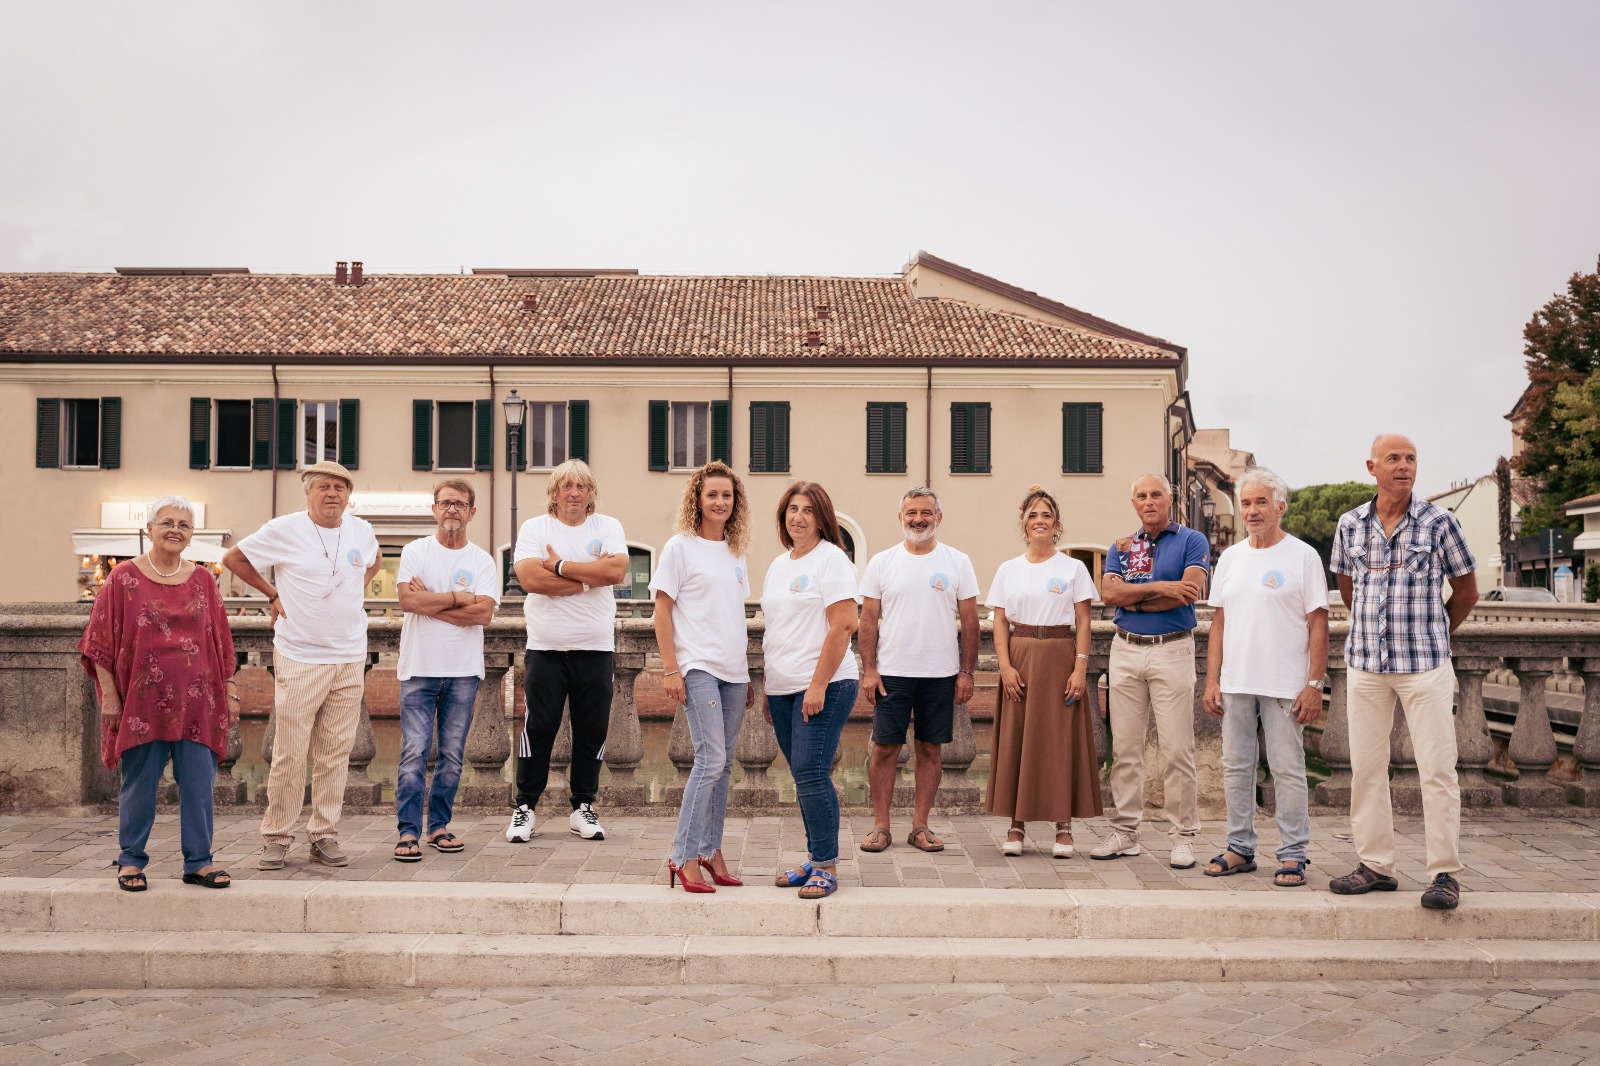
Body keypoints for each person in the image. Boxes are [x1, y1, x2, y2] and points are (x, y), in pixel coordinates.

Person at [1329, 434, 1477, 910]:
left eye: (1411, 458)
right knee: (1367, 769)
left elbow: (1467, 591)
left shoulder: (1440, 523)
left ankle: (1444, 873)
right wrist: (1375, 632)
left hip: (1425, 666)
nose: (1404, 466)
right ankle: (1376, 865)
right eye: (1394, 458)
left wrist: (1434, 631)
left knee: (1438, 770)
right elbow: (1347, 587)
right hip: (1366, 665)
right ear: (1371, 466)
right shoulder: (1349, 523)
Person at [223, 461, 381, 871]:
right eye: (324, 487)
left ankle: (324, 834)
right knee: (290, 754)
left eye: (340, 488)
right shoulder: (284, 529)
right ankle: (276, 836)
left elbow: (374, 562)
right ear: (308, 493)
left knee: (336, 753)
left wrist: (348, 594)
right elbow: (234, 558)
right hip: (300, 655)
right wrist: (272, 594)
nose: (333, 494)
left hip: (348, 657)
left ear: (349, 495)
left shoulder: (361, 530)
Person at [80, 496, 238, 891]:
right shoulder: (124, 578)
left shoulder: (204, 579)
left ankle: (199, 862)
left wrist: (230, 689)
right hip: (141, 702)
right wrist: (111, 696)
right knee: (139, 785)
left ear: (191, 536)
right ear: (149, 529)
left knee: (200, 786)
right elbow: (98, 639)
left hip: (198, 700)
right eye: (166, 522)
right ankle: (131, 860)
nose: (175, 530)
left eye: (184, 525)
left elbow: (221, 640)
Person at [1201, 468, 1329, 887]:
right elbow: (1219, 623)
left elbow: (1318, 624)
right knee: (1236, 767)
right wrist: (1212, 679)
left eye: (1261, 502)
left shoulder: (1303, 556)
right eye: (1246, 503)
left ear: (1280, 507)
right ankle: (1240, 847)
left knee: (1287, 769)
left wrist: (1314, 684)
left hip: (1284, 685)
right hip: (1236, 682)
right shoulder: (1232, 558)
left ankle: (1293, 854)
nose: (1253, 511)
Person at [1090, 473, 1210, 869]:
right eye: (1141, 495)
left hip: (1172, 649)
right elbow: (1109, 595)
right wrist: (1162, 589)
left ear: (1169, 498)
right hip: (1125, 650)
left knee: (1178, 749)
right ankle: (1125, 832)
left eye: (1155, 494)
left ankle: (1183, 836)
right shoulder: (1122, 546)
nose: (1148, 501)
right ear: (1134, 503)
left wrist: (1135, 596)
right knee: (1125, 750)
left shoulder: (1191, 540)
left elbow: (1189, 591)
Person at [506, 459, 629, 843]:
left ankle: (582, 808)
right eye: (567, 486)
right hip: (546, 646)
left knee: (591, 730)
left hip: (595, 646)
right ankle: (525, 807)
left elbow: (616, 572)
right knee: (538, 727)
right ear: (554, 492)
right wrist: (588, 578)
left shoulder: (607, 527)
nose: (574, 492)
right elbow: (529, 579)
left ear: (591, 493)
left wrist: (559, 565)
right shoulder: (534, 528)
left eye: (582, 486)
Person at [651, 461, 754, 892]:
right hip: (697, 667)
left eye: (727, 495)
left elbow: (734, 616)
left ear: (736, 502)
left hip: (733, 671)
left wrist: (746, 675)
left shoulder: (736, 551)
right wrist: (671, 668)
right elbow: (662, 610)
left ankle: (710, 850)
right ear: (697, 498)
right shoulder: (680, 547)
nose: (719, 502)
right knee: (709, 759)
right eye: (711, 494)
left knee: (724, 764)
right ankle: (682, 855)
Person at [857, 487, 978, 854]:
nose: (918, 519)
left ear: (938, 518)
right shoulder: (881, 562)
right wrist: (870, 669)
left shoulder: (957, 561)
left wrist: (966, 671)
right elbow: (868, 621)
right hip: (892, 672)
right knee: (884, 750)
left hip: (940, 673)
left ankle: (920, 826)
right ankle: (881, 826)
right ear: (900, 518)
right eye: (911, 513)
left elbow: (971, 621)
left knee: (930, 750)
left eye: (926, 513)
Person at [985, 486, 1100, 857]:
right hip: (1019, 655)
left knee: (1058, 737)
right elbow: (999, 622)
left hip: (1058, 656)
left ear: (1056, 524)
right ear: (1024, 523)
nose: (1039, 521)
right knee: (1019, 735)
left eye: (1046, 515)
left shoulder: (1073, 568)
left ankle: (1063, 827)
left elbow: (1084, 622)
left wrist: (1080, 668)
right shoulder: (1008, 569)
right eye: (1033, 515)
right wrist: (1004, 666)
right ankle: (1016, 826)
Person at [391, 479, 499, 862]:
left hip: (463, 671)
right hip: (419, 667)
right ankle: (407, 832)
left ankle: (438, 827)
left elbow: (483, 613)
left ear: (472, 512)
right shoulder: (415, 551)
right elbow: (406, 600)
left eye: (460, 503)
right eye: (445, 502)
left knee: (452, 755)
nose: (452, 509)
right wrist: (456, 598)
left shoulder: (482, 560)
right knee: (414, 753)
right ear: (434, 509)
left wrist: (430, 602)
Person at [761, 481, 859, 900]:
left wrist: (817, 685)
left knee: (810, 770)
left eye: (808, 510)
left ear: (822, 517)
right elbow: (776, 630)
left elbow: (843, 625)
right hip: (784, 687)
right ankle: (816, 856)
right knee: (802, 776)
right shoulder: (778, 565)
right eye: (792, 509)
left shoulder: (832, 560)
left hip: (827, 684)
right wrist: (770, 688)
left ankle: (826, 865)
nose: (798, 517)